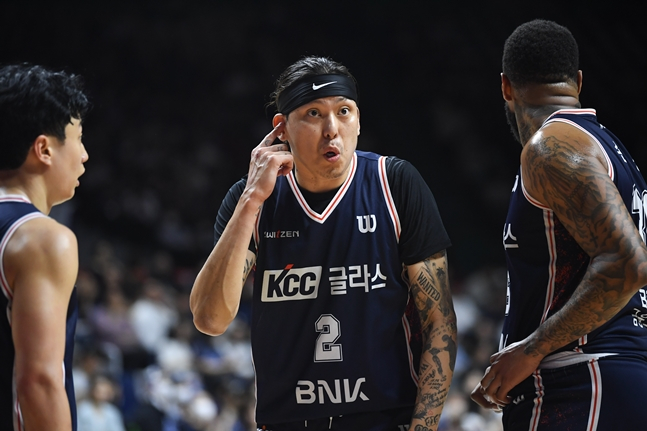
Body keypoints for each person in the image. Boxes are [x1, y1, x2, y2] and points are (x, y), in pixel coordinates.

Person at [190, 56, 457, 431]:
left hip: (383, 418)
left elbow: (439, 323)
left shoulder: (395, 184)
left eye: (343, 111)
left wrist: (423, 428)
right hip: (288, 422)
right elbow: (210, 319)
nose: (332, 129)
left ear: (358, 121)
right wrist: (251, 200)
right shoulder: (252, 202)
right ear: (282, 128)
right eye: (313, 114)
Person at [471, 19, 647, 430]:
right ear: (578, 82)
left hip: (581, 384)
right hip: (614, 378)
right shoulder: (610, 149)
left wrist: (531, 349)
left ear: (506, 87)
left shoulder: (551, 147)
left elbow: (629, 262)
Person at [0, 64, 90, 430]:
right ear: (44, 149)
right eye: (78, 138)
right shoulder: (42, 238)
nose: (84, 155)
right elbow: (38, 382)